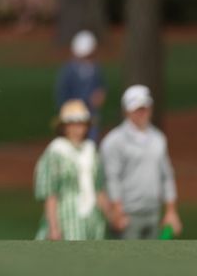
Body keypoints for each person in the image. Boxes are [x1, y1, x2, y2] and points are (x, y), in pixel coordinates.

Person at [100, 85, 183, 240]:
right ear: (127, 111)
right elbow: (111, 178)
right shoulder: (114, 141)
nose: (142, 112)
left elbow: (167, 176)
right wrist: (116, 211)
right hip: (127, 216)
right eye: (137, 109)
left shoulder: (158, 139)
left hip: (153, 213)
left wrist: (171, 211)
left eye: (145, 108)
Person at [34, 99, 112, 240]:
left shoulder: (91, 150)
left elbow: (99, 189)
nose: (77, 128)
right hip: (66, 222)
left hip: (92, 221)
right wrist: (54, 227)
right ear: (64, 126)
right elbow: (50, 194)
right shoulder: (55, 153)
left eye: (81, 123)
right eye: (72, 124)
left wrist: (111, 216)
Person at [55, 30, 106, 142]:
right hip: (73, 115)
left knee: (91, 142)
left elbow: (100, 87)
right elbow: (62, 95)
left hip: (91, 114)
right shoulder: (68, 71)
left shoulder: (95, 69)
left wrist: (99, 95)